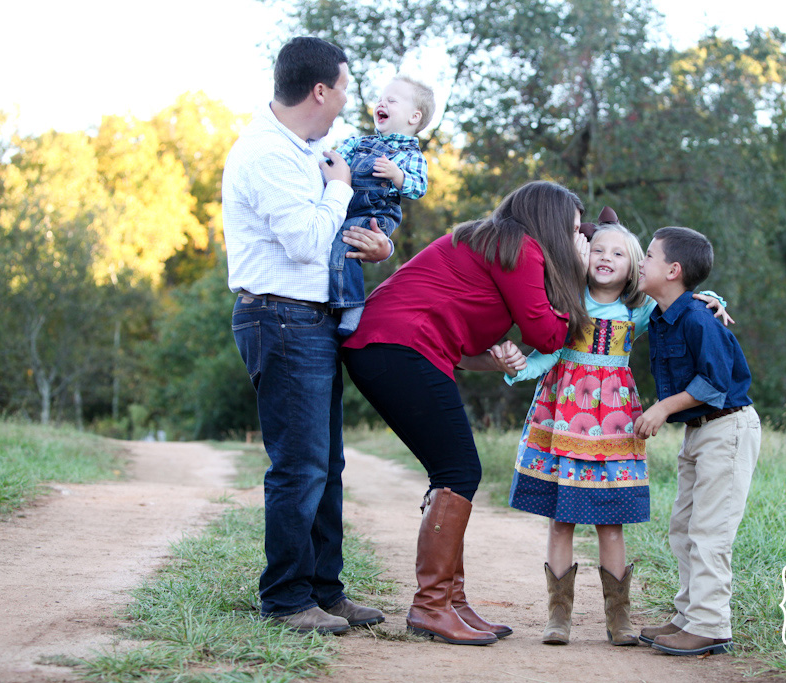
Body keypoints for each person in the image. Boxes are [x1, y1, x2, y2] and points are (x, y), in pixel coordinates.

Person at [342, 180, 591, 645]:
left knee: (452, 470)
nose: (580, 239)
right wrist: (576, 272)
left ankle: (450, 601)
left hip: (393, 346)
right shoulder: (519, 247)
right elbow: (549, 334)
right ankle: (431, 606)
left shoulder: (494, 243)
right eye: (575, 229)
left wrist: (494, 358)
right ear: (554, 224)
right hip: (395, 346)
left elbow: (459, 331)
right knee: (459, 469)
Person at [223, 36, 390, 634]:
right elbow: (305, 240)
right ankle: (287, 598)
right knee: (299, 465)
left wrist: (378, 242)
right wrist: (341, 188)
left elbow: (336, 233)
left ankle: (325, 590)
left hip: (309, 318)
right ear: (320, 89)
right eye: (344, 87)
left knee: (328, 464)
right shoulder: (266, 153)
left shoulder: (310, 149)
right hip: (280, 317)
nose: (347, 100)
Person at [504, 210, 729, 647]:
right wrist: (517, 366)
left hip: (615, 421)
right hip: (564, 413)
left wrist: (713, 298)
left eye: (619, 253)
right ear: (584, 257)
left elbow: (679, 302)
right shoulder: (565, 302)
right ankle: (559, 616)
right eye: (599, 249)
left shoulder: (638, 309)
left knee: (611, 522)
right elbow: (546, 356)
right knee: (561, 519)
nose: (606, 257)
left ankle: (618, 617)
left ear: (635, 268)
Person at [634, 226, 761, 657]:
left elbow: (714, 383)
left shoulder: (697, 319)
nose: (640, 262)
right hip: (700, 432)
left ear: (673, 270)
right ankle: (689, 615)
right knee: (684, 527)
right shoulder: (662, 315)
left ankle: (711, 625)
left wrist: (663, 407)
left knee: (710, 529)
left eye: (647, 256)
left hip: (727, 428)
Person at [333, 75, 435, 335]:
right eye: (380, 99)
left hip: (375, 214)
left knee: (343, 248)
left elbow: (418, 188)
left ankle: (351, 304)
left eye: (391, 100)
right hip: (345, 208)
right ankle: (334, 299)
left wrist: (397, 175)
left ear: (414, 117)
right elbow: (334, 161)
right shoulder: (359, 143)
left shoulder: (411, 155)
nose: (382, 103)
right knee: (331, 245)